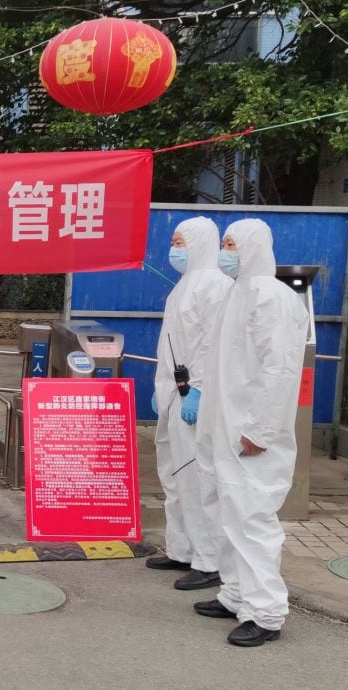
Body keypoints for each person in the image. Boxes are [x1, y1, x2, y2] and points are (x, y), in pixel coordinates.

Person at [192, 218, 308, 647]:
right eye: (223, 244)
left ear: (253, 247)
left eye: (232, 244)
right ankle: (236, 593)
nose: (226, 252)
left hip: (252, 432)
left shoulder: (271, 296)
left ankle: (266, 612)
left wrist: (260, 429)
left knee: (253, 519)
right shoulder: (236, 293)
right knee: (227, 514)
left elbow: (279, 368)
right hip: (225, 426)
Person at [147, 217, 232, 591]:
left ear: (199, 243)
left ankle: (209, 559)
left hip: (191, 397)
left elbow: (212, 345)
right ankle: (180, 548)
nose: (174, 248)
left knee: (197, 478)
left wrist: (196, 388)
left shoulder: (215, 285)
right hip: (171, 393)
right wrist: (161, 387)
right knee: (173, 473)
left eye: (180, 241)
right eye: (173, 241)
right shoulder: (184, 285)